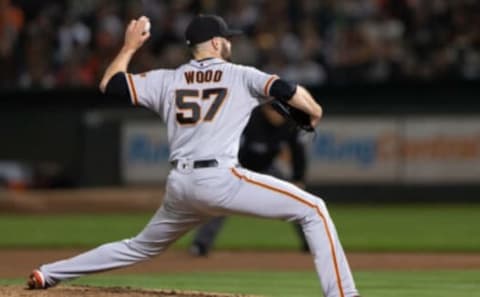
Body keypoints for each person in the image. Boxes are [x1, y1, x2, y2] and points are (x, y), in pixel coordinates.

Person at [27, 15, 360, 297]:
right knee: (314, 209)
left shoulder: (166, 80)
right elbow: (287, 90)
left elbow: (111, 84)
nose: (230, 43)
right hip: (221, 180)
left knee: (140, 246)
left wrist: (129, 46)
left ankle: (49, 273)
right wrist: (314, 112)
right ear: (216, 43)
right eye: (226, 39)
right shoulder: (241, 74)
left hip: (182, 185)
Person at [190, 103, 310, 256]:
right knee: (220, 202)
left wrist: (298, 178)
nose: (280, 116)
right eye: (277, 112)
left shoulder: (290, 123)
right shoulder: (249, 120)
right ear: (266, 109)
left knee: (297, 198)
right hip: (238, 167)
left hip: (267, 167)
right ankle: (201, 244)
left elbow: (298, 151)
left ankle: (311, 243)